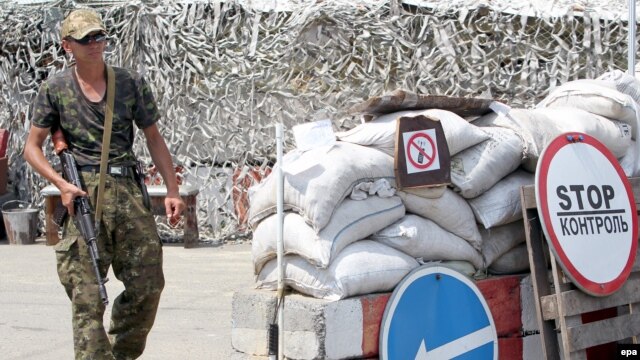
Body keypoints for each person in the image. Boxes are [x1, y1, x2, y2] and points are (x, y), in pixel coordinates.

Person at [23, 8, 185, 360]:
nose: (95, 44)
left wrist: (172, 190)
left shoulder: (130, 83)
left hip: (126, 189)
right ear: (68, 45)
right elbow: (31, 148)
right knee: (87, 295)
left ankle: (121, 354)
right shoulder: (55, 89)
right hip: (81, 193)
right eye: (86, 39)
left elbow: (154, 138)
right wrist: (61, 184)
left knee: (148, 285)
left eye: (99, 37)